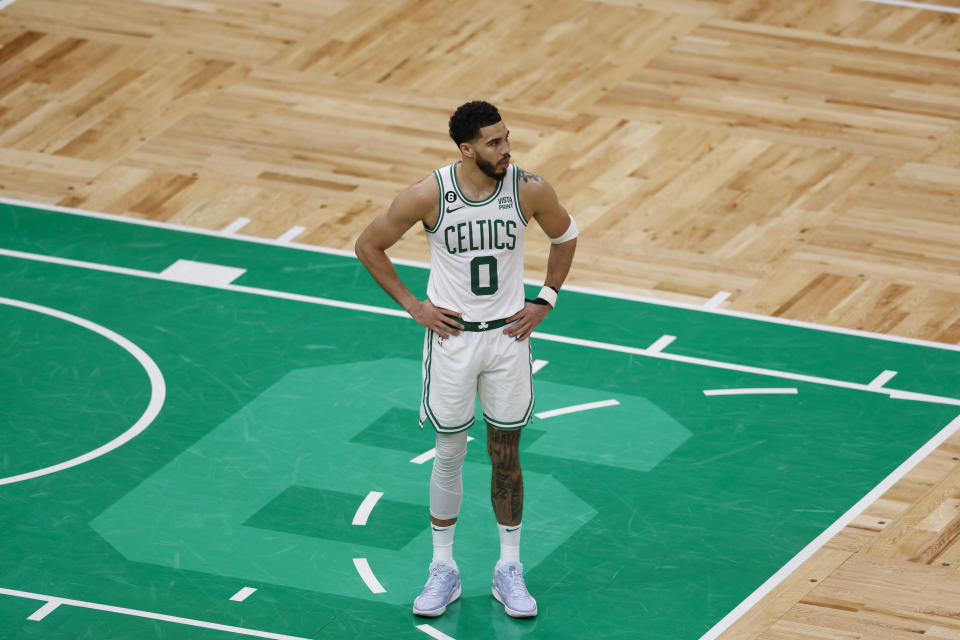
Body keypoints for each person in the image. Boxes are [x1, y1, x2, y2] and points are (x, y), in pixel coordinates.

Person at [354, 100, 578, 619]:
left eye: (507, 138)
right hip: (453, 342)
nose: (506, 150)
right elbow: (369, 245)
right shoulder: (429, 194)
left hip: (508, 341)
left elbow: (565, 235)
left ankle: (509, 569)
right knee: (449, 453)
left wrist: (546, 298)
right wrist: (415, 306)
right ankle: (443, 569)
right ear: (466, 148)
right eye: (494, 142)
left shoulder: (529, 188)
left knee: (506, 455)